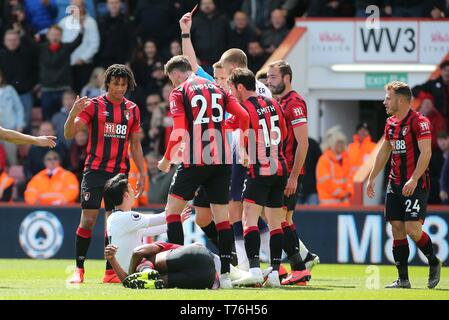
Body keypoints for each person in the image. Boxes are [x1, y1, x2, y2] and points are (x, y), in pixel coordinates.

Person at [180, 11, 273, 272]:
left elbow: (253, 121)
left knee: (241, 212)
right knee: (208, 215)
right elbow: (192, 65)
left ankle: (244, 264)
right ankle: (292, 256)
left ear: (233, 70)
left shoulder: (246, 90)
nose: (217, 75)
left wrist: (245, 149)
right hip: (226, 153)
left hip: (242, 152)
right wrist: (185, 32)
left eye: (221, 71)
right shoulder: (235, 88)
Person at [157, 55, 250, 288]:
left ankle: (178, 266)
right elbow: (244, 116)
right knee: (222, 220)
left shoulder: (179, 92)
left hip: (195, 160)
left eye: (171, 80)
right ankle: (227, 277)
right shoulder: (219, 89)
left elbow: (178, 131)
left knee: (172, 212)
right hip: (222, 161)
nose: (172, 84)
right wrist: (238, 141)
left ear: (176, 75)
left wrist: (167, 159)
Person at [64, 64, 146, 284]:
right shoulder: (94, 106)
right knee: (88, 221)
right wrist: (73, 112)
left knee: (115, 224)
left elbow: (135, 145)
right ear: (107, 83)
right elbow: (69, 133)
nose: (120, 88)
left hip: (119, 174)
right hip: (95, 171)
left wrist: (143, 173)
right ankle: (79, 269)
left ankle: (110, 272)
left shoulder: (133, 109)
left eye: (124, 84)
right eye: (116, 83)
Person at [367, 81, 442, 289]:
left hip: (415, 183)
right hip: (394, 183)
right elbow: (384, 151)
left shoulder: (420, 121)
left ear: (401, 100)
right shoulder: (390, 123)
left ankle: (434, 261)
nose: (384, 102)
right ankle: (403, 279)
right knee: (397, 228)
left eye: (388, 98)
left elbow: (426, 152)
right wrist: (372, 177)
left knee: (412, 228)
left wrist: (414, 178)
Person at [225, 68, 290, 288]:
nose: (231, 93)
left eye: (232, 88)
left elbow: (235, 129)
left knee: (248, 219)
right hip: (280, 168)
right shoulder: (274, 104)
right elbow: (285, 132)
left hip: (259, 170)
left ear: (240, 87)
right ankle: (273, 273)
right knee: (275, 223)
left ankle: (253, 270)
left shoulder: (243, 108)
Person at [267, 60, 320, 274]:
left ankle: (296, 265)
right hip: (278, 170)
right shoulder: (278, 101)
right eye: (268, 78)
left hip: (288, 172)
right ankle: (300, 262)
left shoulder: (295, 103)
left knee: (278, 219)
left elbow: (303, 143)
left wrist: (293, 177)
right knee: (282, 219)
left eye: (273, 77)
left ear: (286, 78)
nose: (269, 82)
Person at [104, 174, 191, 273]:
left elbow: (153, 229)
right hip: (133, 270)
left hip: (126, 270)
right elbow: (162, 217)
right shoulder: (127, 217)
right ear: (126, 195)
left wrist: (176, 221)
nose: (134, 191)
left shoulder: (114, 217)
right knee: (164, 248)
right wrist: (181, 197)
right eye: (131, 189)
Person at [39, 24, 83, 120]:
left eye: (57, 34)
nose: (55, 37)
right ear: (48, 36)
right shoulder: (41, 48)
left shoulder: (66, 48)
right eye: (52, 34)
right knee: (47, 118)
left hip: (63, 89)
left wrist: (81, 29)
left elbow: (77, 41)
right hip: (47, 89)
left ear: (61, 36)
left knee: (65, 118)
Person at [58, 0, 100, 94]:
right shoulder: (63, 23)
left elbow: (94, 44)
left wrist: (83, 58)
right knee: (69, 94)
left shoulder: (91, 22)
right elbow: (60, 44)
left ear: (83, 7)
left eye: (78, 6)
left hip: (83, 65)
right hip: (67, 66)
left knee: (82, 94)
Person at [0, 29, 38, 131]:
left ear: (19, 41)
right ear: (4, 42)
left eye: (14, 40)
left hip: (24, 93)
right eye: (9, 40)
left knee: (26, 120)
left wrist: (34, 84)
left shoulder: (27, 53)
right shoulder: (1, 55)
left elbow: (36, 69)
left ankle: (27, 145)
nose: (12, 42)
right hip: (6, 94)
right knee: (6, 121)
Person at [316, 127, 352, 206]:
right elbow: (326, 182)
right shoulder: (324, 160)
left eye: (342, 143)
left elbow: (349, 178)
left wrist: (349, 192)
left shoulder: (345, 160)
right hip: (329, 205)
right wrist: (342, 194)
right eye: (337, 143)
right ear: (331, 144)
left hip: (344, 204)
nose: (340, 145)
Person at [190, 0, 230, 69]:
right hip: (200, 63)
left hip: (221, 62)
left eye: (209, 3)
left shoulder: (223, 20)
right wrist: (194, 57)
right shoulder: (194, 21)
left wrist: (227, 57)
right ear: (200, 6)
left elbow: (230, 40)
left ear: (214, 4)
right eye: (204, 4)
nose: (207, 6)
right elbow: (189, 41)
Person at [96, 0, 135, 68]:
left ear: (120, 4)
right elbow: (98, 43)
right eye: (111, 3)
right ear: (107, 5)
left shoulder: (127, 21)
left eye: (116, 3)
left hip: (121, 62)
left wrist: (128, 61)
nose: (114, 5)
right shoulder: (101, 21)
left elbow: (131, 44)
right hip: (103, 61)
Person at [0, 67, 25, 166]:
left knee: (12, 158)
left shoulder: (9, 89)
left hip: (10, 129)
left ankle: (13, 180)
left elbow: (19, 107)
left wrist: (20, 125)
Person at [412, 60, 449, 127]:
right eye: (445, 70)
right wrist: (426, 97)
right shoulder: (433, 83)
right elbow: (414, 90)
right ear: (441, 71)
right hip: (437, 121)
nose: (447, 73)